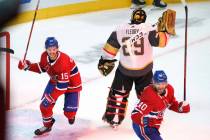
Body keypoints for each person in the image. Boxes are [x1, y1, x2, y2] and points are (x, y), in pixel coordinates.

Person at [97, 8, 172, 128]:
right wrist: (166, 32)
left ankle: (114, 119)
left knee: (118, 94)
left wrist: (105, 60)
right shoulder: (150, 29)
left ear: (132, 18)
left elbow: (110, 49)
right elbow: (162, 42)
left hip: (124, 70)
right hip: (144, 71)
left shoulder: (120, 29)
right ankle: (149, 118)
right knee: (147, 96)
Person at [18, 37, 82, 135]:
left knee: (69, 113)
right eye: (49, 49)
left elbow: (62, 87)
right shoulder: (44, 56)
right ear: (46, 49)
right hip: (55, 81)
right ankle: (47, 126)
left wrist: (51, 97)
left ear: (58, 48)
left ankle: (71, 115)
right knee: (44, 106)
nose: (52, 52)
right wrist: (27, 66)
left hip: (72, 84)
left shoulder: (63, 62)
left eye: (54, 49)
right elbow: (41, 68)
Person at [131, 70, 190, 140]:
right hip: (143, 127)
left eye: (163, 83)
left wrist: (181, 108)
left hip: (154, 126)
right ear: (153, 82)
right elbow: (135, 114)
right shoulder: (149, 95)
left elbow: (171, 104)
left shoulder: (169, 89)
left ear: (166, 83)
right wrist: (145, 122)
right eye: (158, 84)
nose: (161, 86)